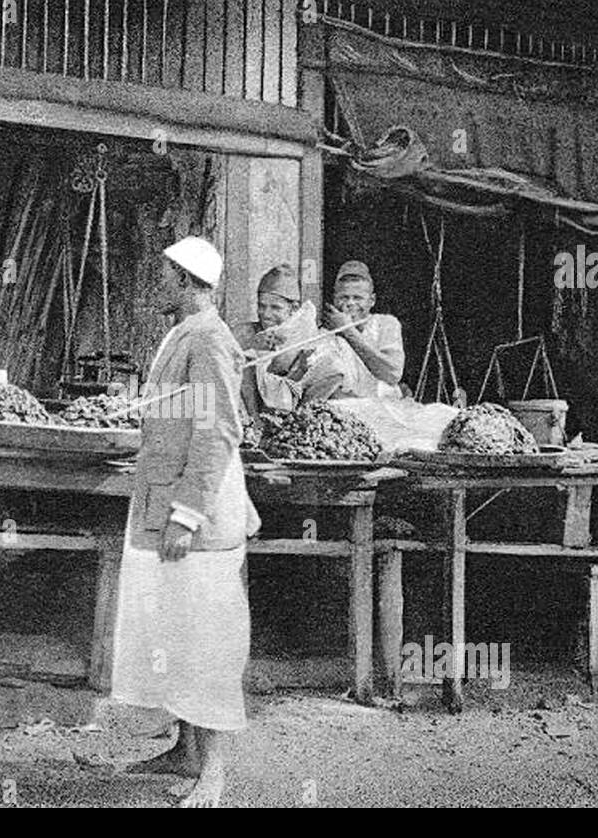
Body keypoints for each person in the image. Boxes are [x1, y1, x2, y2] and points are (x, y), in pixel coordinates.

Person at [112, 235, 260, 808]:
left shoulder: (212, 341)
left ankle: (214, 772)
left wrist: (186, 515)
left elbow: (218, 431)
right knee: (171, 632)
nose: (158, 283)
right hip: (163, 498)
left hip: (200, 514)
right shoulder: (182, 334)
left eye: (164, 274)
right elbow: (183, 416)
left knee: (207, 641)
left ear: (184, 281)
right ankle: (183, 748)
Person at [236, 264, 345, 414]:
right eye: (261, 306)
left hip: (296, 404)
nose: (266, 314)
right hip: (254, 411)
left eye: (275, 308)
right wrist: (251, 345)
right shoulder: (247, 331)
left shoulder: (306, 333)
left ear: (293, 309)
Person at [322, 260, 405, 399]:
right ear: (334, 299)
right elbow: (326, 385)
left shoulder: (386, 324)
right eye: (344, 297)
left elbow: (392, 374)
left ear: (372, 300)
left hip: (386, 409)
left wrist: (348, 331)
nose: (350, 303)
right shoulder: (325, 332)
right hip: (346, 410)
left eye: (357, 298)